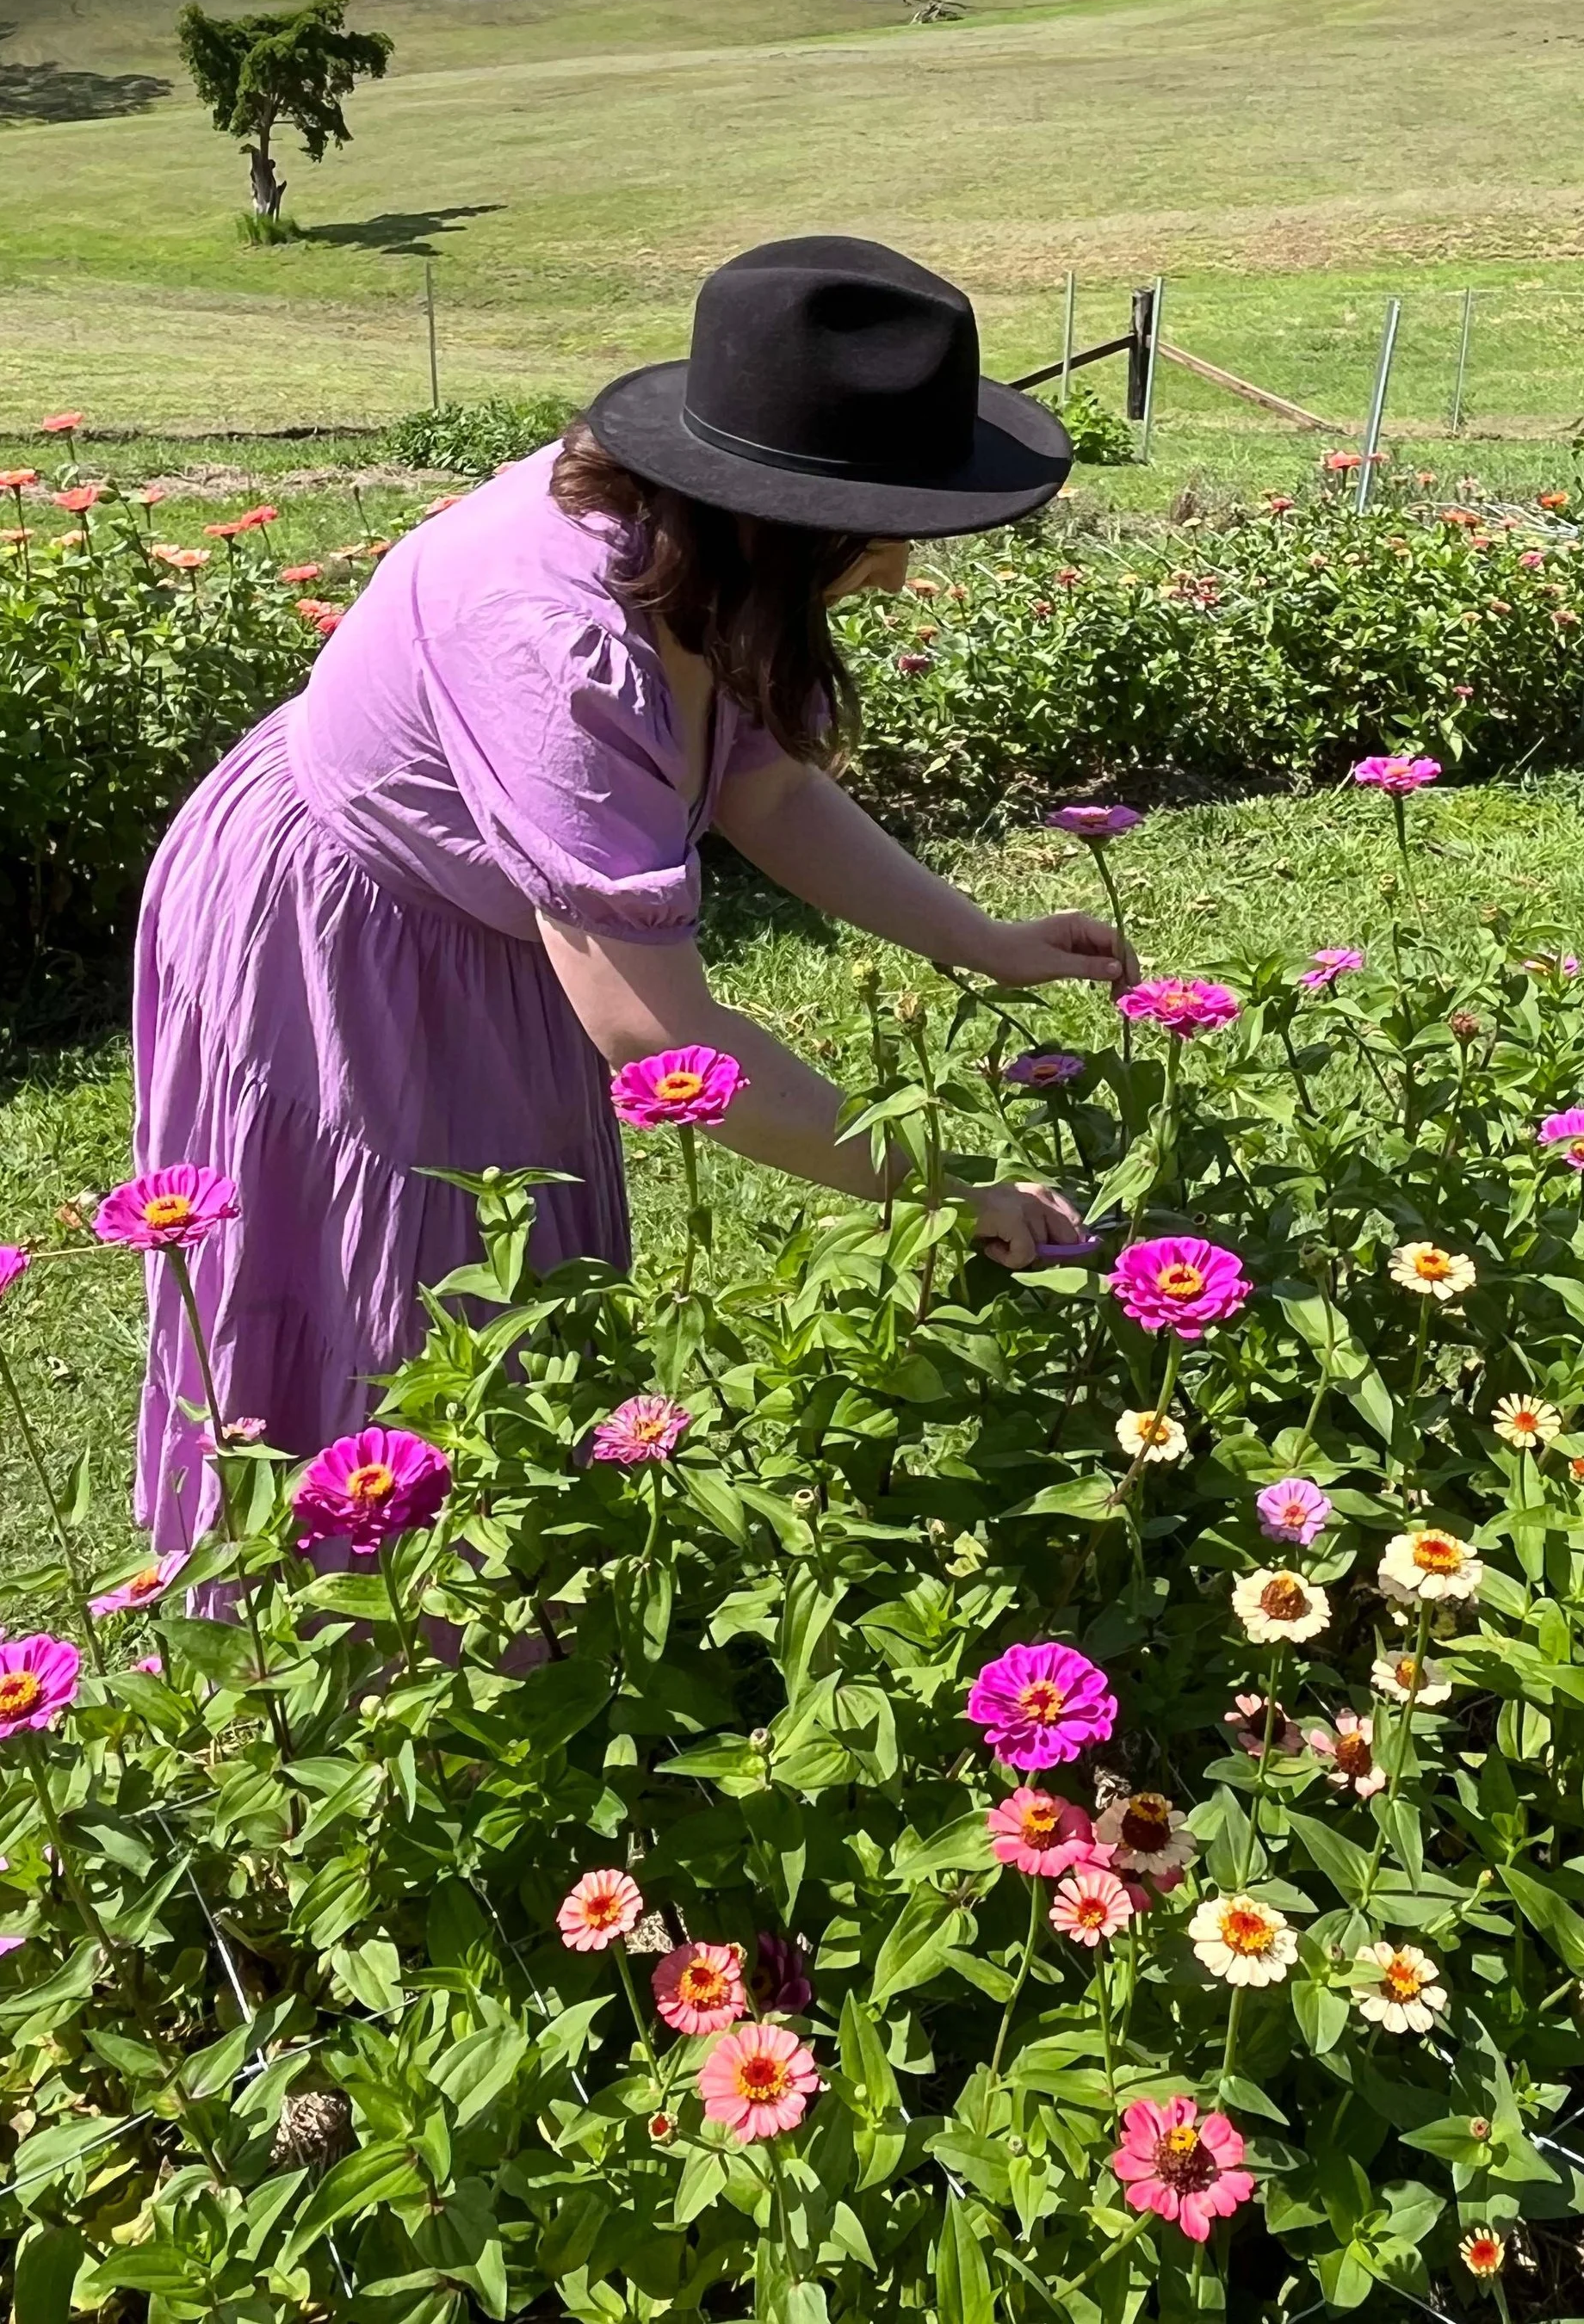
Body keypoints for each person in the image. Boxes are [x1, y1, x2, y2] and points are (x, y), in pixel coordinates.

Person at [130, 236, 1135, 1545]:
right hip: (346, 928)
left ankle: (529, 1624)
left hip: (490, 925)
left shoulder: (698, 555)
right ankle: (348, 1656)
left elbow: (762, 788)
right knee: (391, 1307)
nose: (896, 570)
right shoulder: (564, 646)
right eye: (886, 532)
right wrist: (953, 1190)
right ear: (780, 517)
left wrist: (980, 940)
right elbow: (664, 1042)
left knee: (516, 1292)